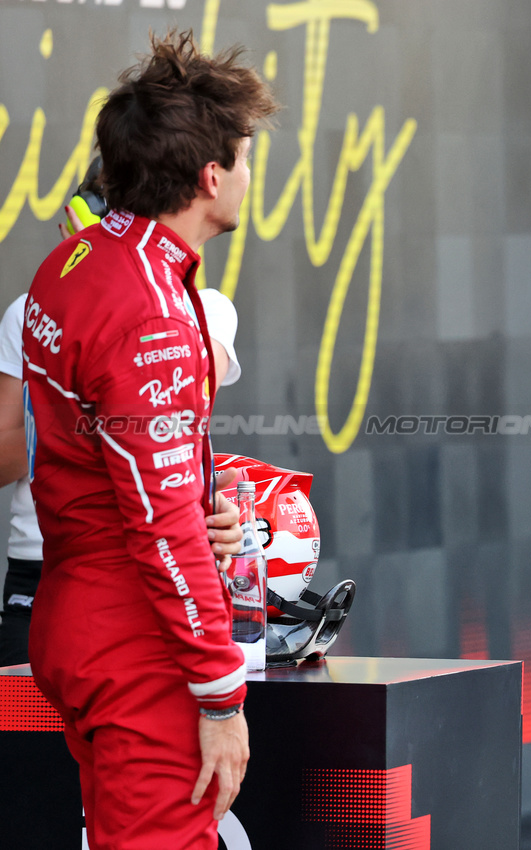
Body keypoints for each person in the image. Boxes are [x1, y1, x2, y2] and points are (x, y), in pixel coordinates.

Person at [23, 30, 277, 848]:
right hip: (135, 639)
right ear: (211, 177)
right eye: (241, 158)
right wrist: (219, 696)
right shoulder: (153, 315)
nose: (245, 175)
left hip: (75, 610)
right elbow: (161, 525)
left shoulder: (72, 263)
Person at [0, 189, 243, 667]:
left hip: (152, 567)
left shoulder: (204, 309)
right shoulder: (31, 309)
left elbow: (163, 431)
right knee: (31, 739)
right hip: (45, 567)